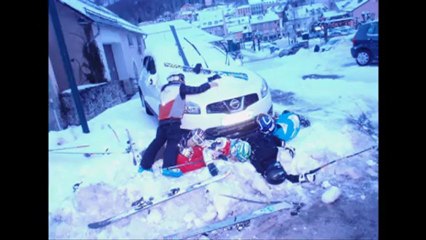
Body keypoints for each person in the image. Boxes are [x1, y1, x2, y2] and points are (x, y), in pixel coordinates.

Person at [138, 73, 219, 177]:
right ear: (180, 80)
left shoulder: (164, 90)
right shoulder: (180, 87)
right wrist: (210, 84)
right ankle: (168, 168)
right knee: (173, 143)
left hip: (162, 122)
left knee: (157, 143)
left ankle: (144, 165)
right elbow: (197, 89)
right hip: (173, 122)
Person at [242, 113, 315, 185]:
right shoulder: (274, 155)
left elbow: (246, 153)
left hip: (249, 134)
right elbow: (289, 178)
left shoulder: (259, 164)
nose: (279, 165)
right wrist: (302, 178)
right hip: (257, 133)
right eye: (279, 166)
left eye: (278, 166)